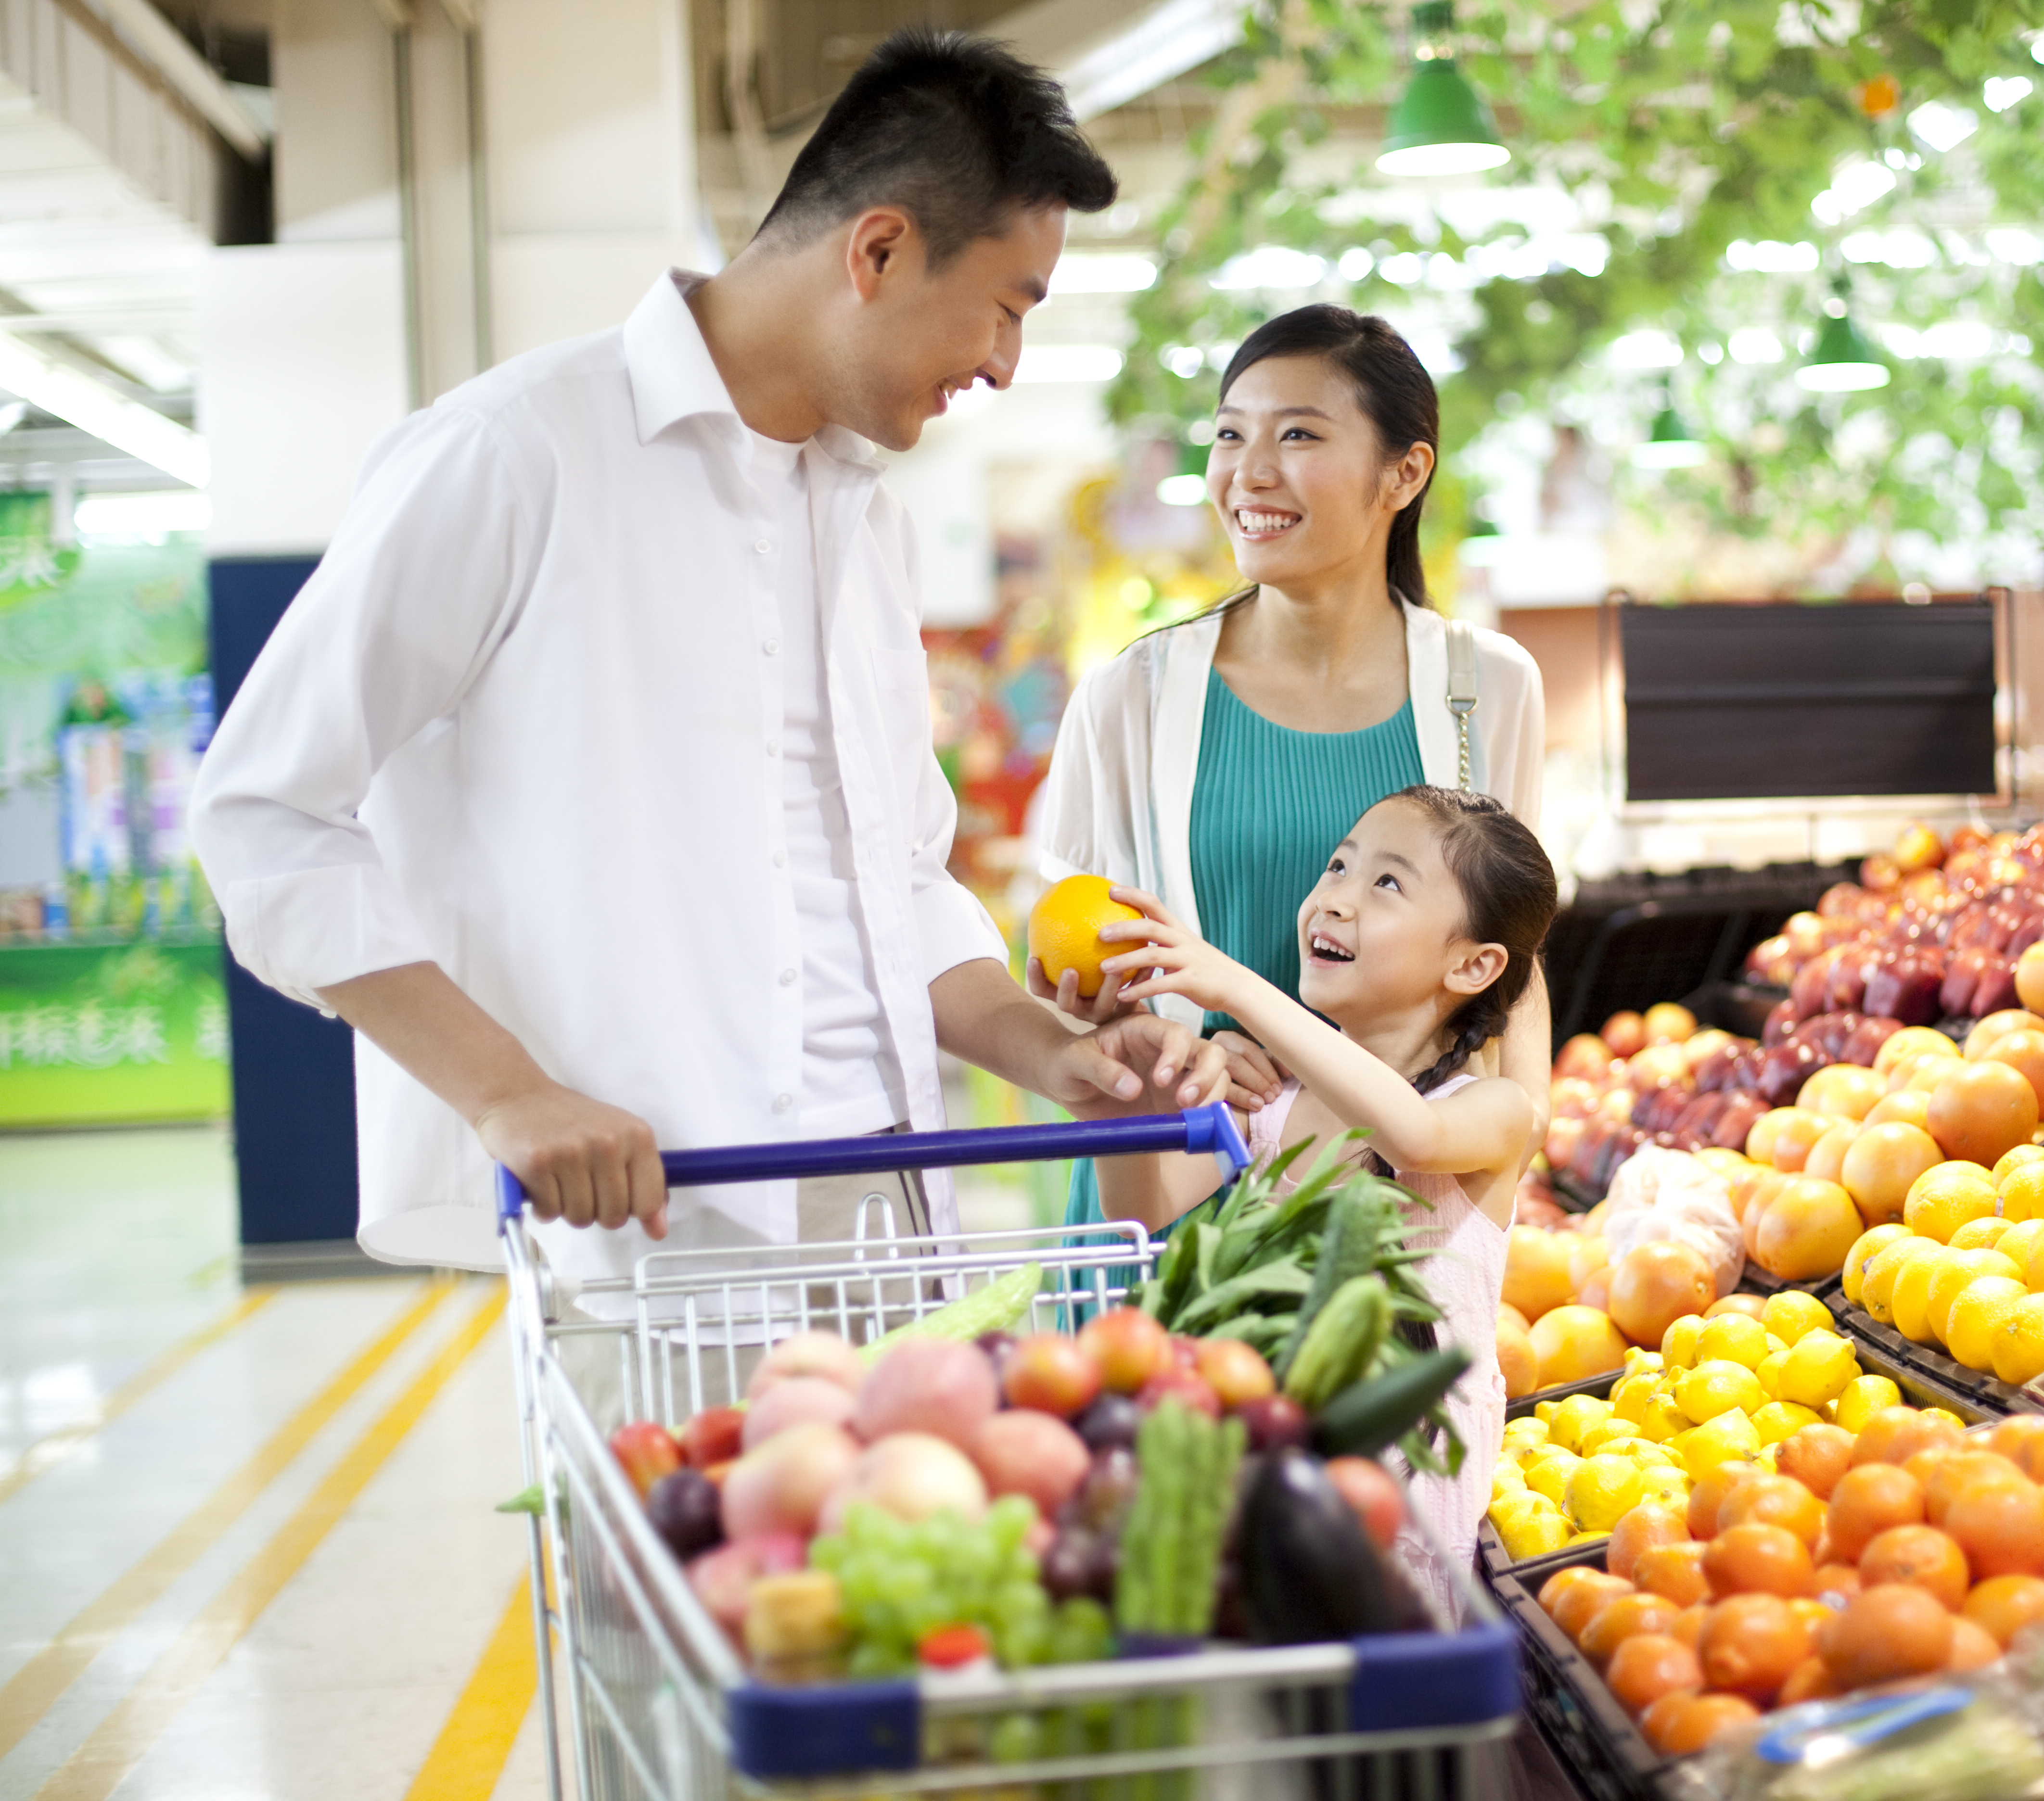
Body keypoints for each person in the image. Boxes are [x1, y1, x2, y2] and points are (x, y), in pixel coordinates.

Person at [188, 32, 1226, 1283]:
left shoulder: (866, 521)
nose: (1005, 364)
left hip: (891, 1205)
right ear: (880, 249)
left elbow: (896, 880)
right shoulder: (516, 456)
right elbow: (264, 813)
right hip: (659, 1232)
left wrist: (1049, 1051)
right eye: (1008, 308)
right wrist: (507, 1093)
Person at [1032, 305, 1551, 1238]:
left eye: (1299, 435)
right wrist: (1159, 1048)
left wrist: (1515, 1159)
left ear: (1406, 471)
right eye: (1230, 435)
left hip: (1390, 1201)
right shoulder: (1132, 698)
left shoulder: (1487, 690)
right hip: (1175, 1187)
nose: (1247, 472)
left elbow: (1515, 953)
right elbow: (1075, 958)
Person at [1088, 786, 1558, 1597]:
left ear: (1475, 965)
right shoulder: (1271, 1103)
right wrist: (1112, 1085)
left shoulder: (1489, 1112)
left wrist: (1234, 988)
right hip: (1271, 1488)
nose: (1335, 896)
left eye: (1387, 884)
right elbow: (1143, 1206)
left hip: (1408, 1529)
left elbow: (1411, 1134)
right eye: (1339, 864)